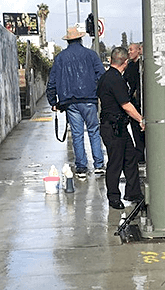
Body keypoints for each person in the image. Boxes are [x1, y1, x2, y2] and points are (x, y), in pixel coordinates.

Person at [47, 27, 105, 178]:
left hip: (70, 102)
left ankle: (81, 168)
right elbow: (102, 76)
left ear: (68, 41)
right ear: (80, 39)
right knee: (93, 131)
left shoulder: (60, 58)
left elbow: (52, 81)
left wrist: (53, 101)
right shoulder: (91, 55)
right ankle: (98, 165)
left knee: (77, 134)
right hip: (89, 99)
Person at [96, 47, 145, 210]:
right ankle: (113, 197)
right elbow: (126, 105)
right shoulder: (115, 79)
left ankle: (133, 192)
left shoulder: (106, 77)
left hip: (117, 127)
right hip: (113, 127)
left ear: (111, 60)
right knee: (116, 163)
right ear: (125, 63)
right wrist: (140, 119)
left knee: (130, 158)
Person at [123, 43, 146, 164]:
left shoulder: (144, 65)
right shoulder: (130, 66)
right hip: (134, 102)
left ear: (138, 50)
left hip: (144, 102)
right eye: (128, 50)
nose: (129, 52)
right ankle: (140, 155)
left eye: (132, 50)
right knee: (136, 130)